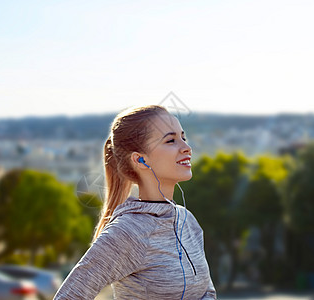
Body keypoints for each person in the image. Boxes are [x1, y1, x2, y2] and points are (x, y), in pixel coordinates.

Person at [55, 105, 216, 299]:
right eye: (171, 140)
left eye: (184, 137)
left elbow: (207, 292)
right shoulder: (129, 231)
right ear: (140, 160)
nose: (186, 148)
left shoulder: (187, 221)